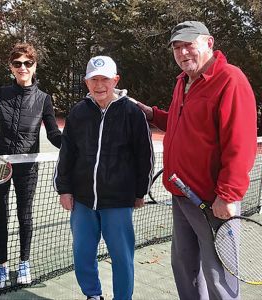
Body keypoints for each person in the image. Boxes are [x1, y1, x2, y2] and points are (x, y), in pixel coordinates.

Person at [136, 21, 257, 299]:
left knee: (218, 276)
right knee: (184, 267)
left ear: (209, 43)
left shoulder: (230, 79)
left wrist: (227, 195)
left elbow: (240, 143)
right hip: (182, 194)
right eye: (177, 47)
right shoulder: (183, 81)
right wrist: (154, 115)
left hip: (213, 200)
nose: (182, 52)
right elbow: (183, 124)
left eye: (189, 44)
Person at [54, 55, 154, 300]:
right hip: (83, 200)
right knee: (82, 253)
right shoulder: (78, 112)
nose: (99, 85)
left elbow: (145, 156)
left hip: (118, 200)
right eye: (94, 79)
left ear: (115, 80)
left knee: (122, 256)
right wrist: (64, 189)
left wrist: (141, 191)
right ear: (86, 82)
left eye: (105, 79)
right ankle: (92, 295)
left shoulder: (132, 112)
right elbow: (67, 153)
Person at [0, 42, 61, 289]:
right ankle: (2, 267)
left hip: (27, 166)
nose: (22, 67)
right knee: (0, 214)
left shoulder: (43, 99)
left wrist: (75, 145)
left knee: (24, 215)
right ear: (11, 67)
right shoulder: (2, 94)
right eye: (17, 63)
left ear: (34, 65)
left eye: (27, 63)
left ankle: (24, 264)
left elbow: (53, 134)